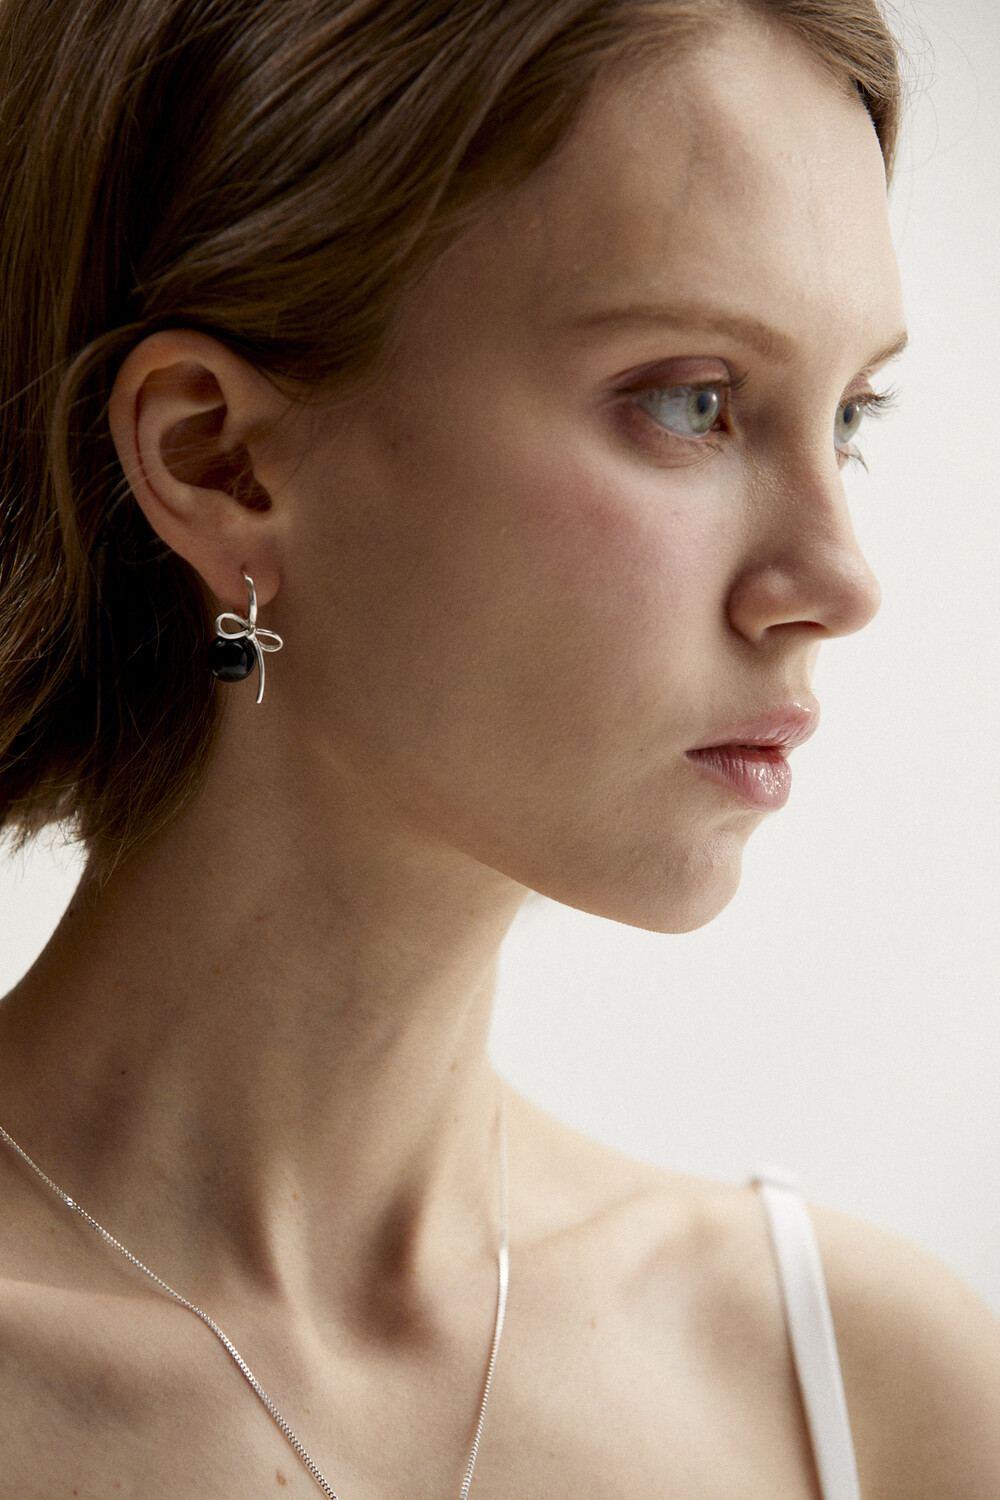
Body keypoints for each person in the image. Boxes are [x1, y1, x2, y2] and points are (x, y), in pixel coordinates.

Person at [0, 0, 998, 1494]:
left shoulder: (869, 1394)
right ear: (220, 458)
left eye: (851, 412)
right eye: (693, 403)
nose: (841, 581)